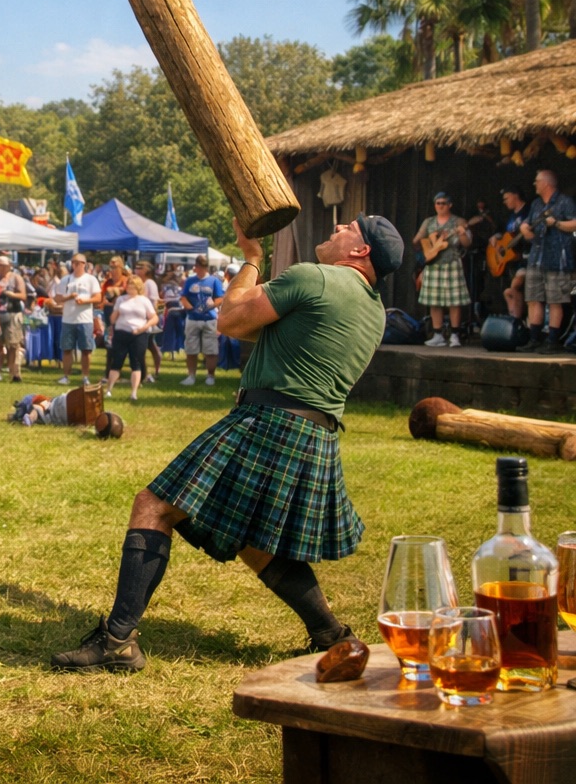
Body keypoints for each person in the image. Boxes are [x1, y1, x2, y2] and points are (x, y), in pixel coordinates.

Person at [50, 215, 404, 672]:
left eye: (349, 229)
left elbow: (232, 321)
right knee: (253, 541)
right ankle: (330, 635)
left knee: (154, 505)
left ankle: (118, 640)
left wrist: (253, 259)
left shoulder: (313, 277)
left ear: (361, 251)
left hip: (269, 418)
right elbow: (268, 329)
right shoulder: (372, 310)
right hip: (315, 432)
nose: (336, 228)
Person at [518, 169, 576, 353]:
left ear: (546, 183)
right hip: (536, 258)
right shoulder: (535, 204)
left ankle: (552, 341)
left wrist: (557, 224)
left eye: (537, 181)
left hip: (557, 259)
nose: (534, 184)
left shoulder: (565, 202)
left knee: (555, 300)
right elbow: (528, 225)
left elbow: (575, 223)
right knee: (534, 298)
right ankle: (534, 339)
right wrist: (525, 228)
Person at [413, 192, 471, 348]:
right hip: (433, 264)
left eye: (443, 203)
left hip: (452, 262)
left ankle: (454, 335)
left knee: (454, 301)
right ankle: (438, 334)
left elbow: (467, 243)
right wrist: (431, 240)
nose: (440, 206)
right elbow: (416, 241)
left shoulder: (458, 221)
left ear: (450, 205)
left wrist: (463, 233)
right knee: (434, 301)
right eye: (437, 203)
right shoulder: (429, 222)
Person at [104, 276, 158, 402]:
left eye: (133, 286)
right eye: (128, 286)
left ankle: (134, 392)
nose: (130, 289)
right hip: (121, 332)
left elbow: (154, 318)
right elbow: (113, 319)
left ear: (138, 287)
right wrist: (114, 314)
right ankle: (109, 390)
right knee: (116, 361)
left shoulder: (144, 301)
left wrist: (144, 327)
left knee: (136, 362)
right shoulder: (121, 300)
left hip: (138, 334)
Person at [53, 254, 102, 386]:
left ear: (84, 264)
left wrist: (85, 301)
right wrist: (68, 297)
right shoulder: (66, 280)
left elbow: (98, 298)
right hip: (68, 319)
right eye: (73, 263)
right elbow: (57, 298)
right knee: (67, 349)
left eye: (78, 263)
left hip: (85, 319)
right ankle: (66, 376)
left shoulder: (91, 279)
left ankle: (85, 377)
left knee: (86, 350)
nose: (75, 265)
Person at [179, 255, 225, 385]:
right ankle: (191, 376)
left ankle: (210, 376)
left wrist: (211, 305)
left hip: (209, 319)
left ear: (205, 267)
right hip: (193, 318)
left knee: (210, 350)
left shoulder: (214, 281)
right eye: (198, 266)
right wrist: (190, 308)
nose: (199, 269)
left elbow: (220, 298)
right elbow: (183, 297)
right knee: (191, 349)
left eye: (202, 267)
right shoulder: (190, 280)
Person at [490, 186, 530, 321]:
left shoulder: (529, 211)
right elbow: (503, 232)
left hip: (527, 257)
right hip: (513, 263)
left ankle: (518, 321)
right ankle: (515, 321)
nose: (504, 201)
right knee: (509, 291)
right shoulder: (509, 215)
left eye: (506, 198)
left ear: (515, 195)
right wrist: (496, 236)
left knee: (515, 287)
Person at [0, 254, 27, 383]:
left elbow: (23, 295)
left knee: (13, 344)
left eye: (1, 265)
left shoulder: (16, 278)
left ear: (8, 266)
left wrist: (12, 294)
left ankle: (13, 372)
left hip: (13, 314)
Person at [133, 260, 162, 382]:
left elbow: (154, 303)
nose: (137, 269)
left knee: (147, 346)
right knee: (150, 346)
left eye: (140, 267)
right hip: (139, 319)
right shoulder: (140, 283)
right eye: (136, 267)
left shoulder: (150, 283)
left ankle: (151, 371)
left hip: (147, 321)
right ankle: (149, 371)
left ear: (146, 270)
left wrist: (150, 318)